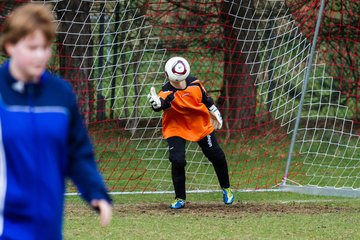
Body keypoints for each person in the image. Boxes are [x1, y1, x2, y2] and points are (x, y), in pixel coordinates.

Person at [0, 3, 112, 239]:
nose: (40, 55)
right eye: (32, 47)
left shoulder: (60, 94)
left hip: (47, 225)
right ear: (10, 45)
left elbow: (77, 150)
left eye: (45, 47)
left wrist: (95, 191)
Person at [148, 56, 234, 209]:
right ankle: (180, 198)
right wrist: (156, 104)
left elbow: (207, 100)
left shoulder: (195, 84)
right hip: (176, 127)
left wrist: (215, 111)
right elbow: (160, 104)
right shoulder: (166, 91)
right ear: (168, 76)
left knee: (217, 155)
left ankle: (226, 188)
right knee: (177, 160)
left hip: (199, 124)